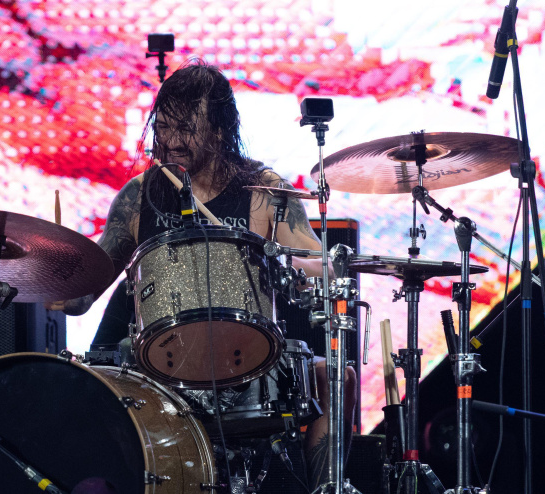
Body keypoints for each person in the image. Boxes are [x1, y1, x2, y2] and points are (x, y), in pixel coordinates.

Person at [48, 60, 357, 490]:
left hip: (248, 358)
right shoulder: (139, 195)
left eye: (186, 129)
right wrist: (47, 273)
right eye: (164, 127)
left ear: (218, 130)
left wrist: (322, 267)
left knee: (336, 377)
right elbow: (81, 298)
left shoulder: (262, 189)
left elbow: (313, 261)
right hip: (158, 364)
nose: (171, 142)